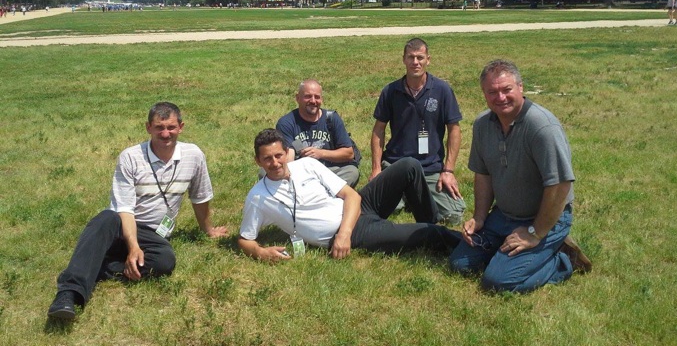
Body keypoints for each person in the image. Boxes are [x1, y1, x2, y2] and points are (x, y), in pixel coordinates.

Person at [47, 102, 228, 321]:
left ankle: (95, 265)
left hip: (152, 233)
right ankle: (68, 294)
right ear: (148, 128)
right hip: (121, 223)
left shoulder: (194, 155)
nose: (165, 133)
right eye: (159, 127)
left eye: (171, 127)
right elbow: (124, 208)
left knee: (164, 261)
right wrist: (133, 247)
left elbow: (200, 197)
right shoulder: (130, 157)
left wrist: (207, 229)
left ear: (181, 126)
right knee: (105, 219)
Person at [449, 60, 591, 293]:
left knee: (498, 282)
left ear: (520, 87)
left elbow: (560, 185)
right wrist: (480, 217)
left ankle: (563, 261)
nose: (500, 97)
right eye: (492, 92)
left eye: (507, 90)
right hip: (504, 215)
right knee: (461, 265)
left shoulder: (542, 127)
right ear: (484, 93)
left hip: (544, 220)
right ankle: (515, 254)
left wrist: (535, 233)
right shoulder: (483, 124)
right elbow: (483, 174)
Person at [238, 129, 461, 261]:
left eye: (279, 155)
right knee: (426, 234)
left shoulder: (306, 165)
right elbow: (245, 239)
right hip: (356, 231)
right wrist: (260, 252)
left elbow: (352, 196)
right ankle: (462, 243)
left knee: (409, 166)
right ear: (258, 161)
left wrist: (344, 234)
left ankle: (430, 221)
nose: (275, 162)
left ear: (287, 153)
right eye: (267, 159)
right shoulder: (258, 197)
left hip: (356, 211)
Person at [370, 38, 465, 224]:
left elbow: (454, 129)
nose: (415, 62)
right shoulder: (390, 91)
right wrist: (376, 169)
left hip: (429, 167)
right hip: (397, 164)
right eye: (411, 57)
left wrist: (448, 170)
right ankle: (407, 195)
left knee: (454, 216)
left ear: (428, 60)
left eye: (420, 57)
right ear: (403, 60)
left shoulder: (442, 90)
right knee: (374, 210)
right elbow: (378, 131)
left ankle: (410, 195)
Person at [275, 79, 359, 187]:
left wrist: (320, 153)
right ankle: (322, 194)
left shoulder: (332, 118)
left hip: (328, 171)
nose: (313, 101)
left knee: (352, 171)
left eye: (317, 97)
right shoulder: (287, 123)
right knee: (265, 172)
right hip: (299, 174)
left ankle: (317, 196)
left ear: (321, 99)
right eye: (308, 96)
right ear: (298, 98)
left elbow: (349, 153)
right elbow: (288, 156)